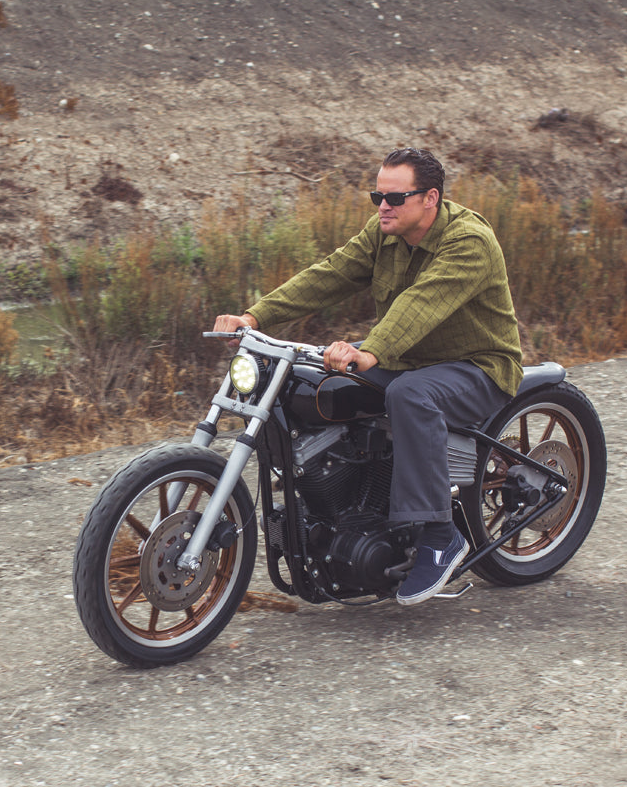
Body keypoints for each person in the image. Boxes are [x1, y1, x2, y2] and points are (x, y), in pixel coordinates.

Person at [213, 147, 523, 605]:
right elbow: (331, 274)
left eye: (395, 197)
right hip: (409, 355)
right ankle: (335, 501)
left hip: (476, 363)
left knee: (410, 395)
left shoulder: (468, 240)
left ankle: (441, 534)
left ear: (430, 198)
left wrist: (372, 350)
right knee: (303, 380)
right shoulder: (386, 232)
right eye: (378, 195)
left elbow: (421, 304)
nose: (382, 205)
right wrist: (255, 317)